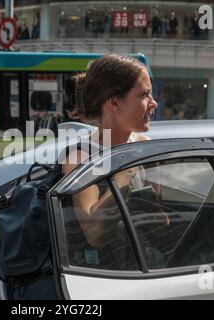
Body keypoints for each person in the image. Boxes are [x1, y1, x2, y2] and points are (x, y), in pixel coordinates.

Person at [62, 55, 159, 253]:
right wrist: (126, 169)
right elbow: (95, 235)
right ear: (114, 103)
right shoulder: (81, 157)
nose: (153, 103)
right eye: (144, 95)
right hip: (106, 275)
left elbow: (157, 222)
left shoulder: (146, 147)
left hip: (146, 267)